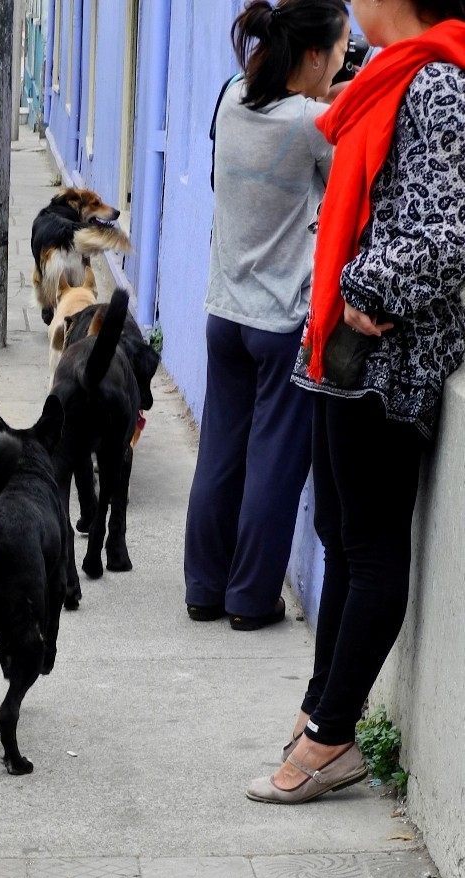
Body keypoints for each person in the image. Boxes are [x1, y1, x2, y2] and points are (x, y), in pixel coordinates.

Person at [247, 0, 465, 802]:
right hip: (339, 348)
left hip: (387, 353)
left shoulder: (439, 82)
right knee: (338, 534)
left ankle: (333, 737)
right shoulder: (384, 74)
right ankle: (319, 712)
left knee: (368, 549)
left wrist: (363, 286)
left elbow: (446, 230)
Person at [183, 0, 351, 632]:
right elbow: (347, 176)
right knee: (274, 466)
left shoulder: (230, 97)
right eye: (339, 50)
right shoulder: (315, 120)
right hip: (282, 324)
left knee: (220, 454)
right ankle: (251, 601)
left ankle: (204, 587)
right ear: (315, 55)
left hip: (224, 313)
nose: (343, 59)